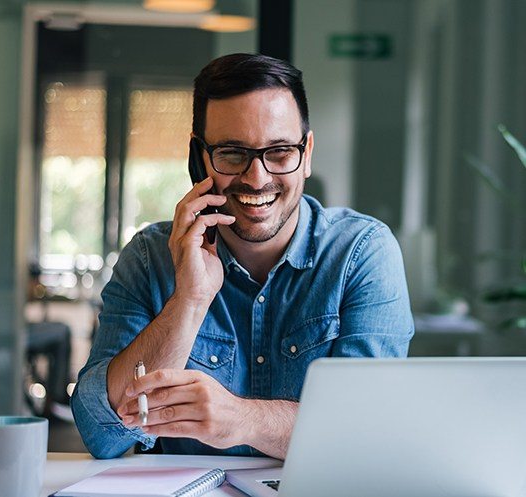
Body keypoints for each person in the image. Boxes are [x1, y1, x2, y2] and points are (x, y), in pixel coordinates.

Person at [70, 53, 415, 460]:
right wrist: (190, 301)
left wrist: (241, 419)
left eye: (280, 152)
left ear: (307, 153)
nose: (257, 178)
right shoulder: (149, 257)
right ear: (200, 158)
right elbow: (101, 434)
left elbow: (368, 432)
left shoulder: (362, 253)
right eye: (233, 153)